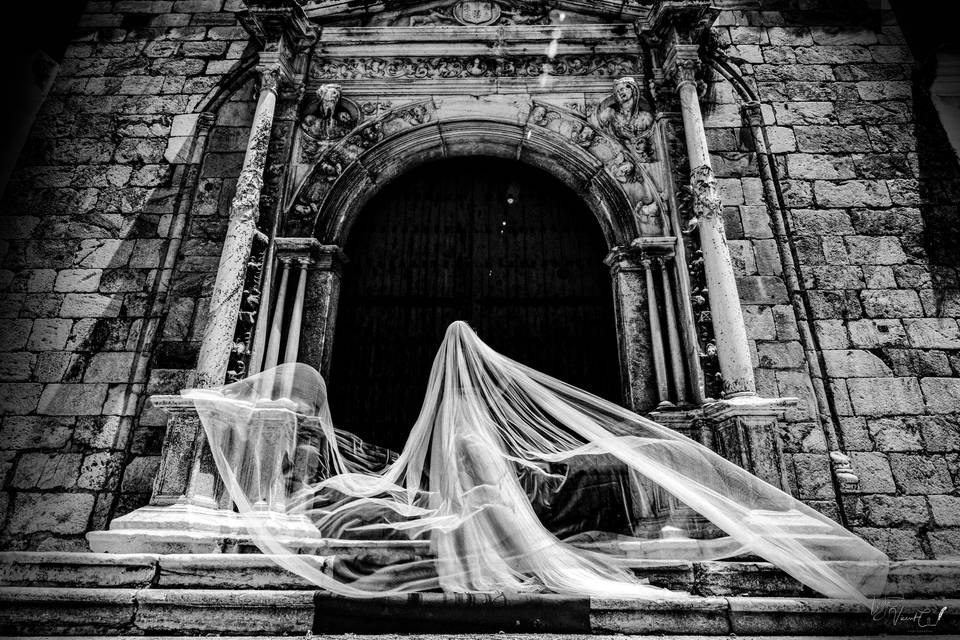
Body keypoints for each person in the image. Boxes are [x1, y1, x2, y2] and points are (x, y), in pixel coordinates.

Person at [186, 321, 888, 601]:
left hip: (540, 492)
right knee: (639, 455)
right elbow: (509, 498)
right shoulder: (467, 449)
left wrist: (547, 468)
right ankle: (682, 510)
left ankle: (662, 503)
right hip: (543, 499)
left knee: (632, 455)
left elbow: (510, 488)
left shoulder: (462, 445)